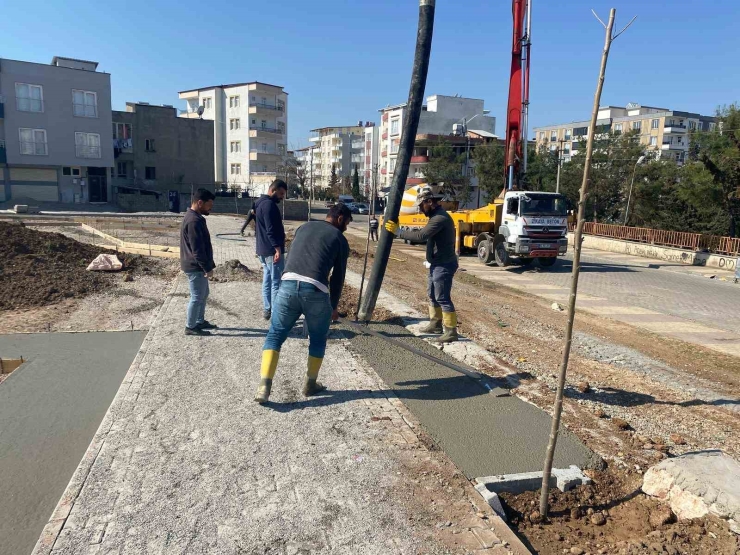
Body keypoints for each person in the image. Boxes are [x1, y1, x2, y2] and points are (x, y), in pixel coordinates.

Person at [254, 203, 352, 404]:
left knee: (275, 336)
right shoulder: (340, 239)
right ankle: (310, 384)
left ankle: (264, 386)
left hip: (287, 286)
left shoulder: (303, 227)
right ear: (340, 218)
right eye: (348, 223)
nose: (347, 228)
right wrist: (333, 306)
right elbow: (338, 277)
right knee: (317, 339)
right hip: (316, 291)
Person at [384, 186, 459, 343]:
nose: (420, 210)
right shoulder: (435, 217)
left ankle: (451, 331)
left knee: (442, 297)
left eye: (420, 206)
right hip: (436, 263)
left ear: (429, 202)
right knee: (432, 295)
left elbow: (421, 236)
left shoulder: (440, 218)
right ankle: (436, 324)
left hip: (444, 264)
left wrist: (398, 232)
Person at [180, 188, 217, 336]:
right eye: (209, 205)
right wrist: (207, 268)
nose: (211, 208)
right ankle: (190, 326)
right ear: (200, 203)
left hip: (196, 265)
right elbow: (197, 250)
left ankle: (199, 321)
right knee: (196, 297)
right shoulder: (193, 221)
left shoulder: (194, 217)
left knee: (203, 293)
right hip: (195, 266)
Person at [254, 179, 288, 320]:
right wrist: (277, 249)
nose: (282, 197)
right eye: (280, 193)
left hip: (262, 249)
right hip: (271, 250)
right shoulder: (269, 206)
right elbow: (270, 230)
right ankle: (275, 314)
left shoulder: (259, 203)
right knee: (276, 282)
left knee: (267, 280)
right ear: (273, 190)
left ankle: (268, 309)